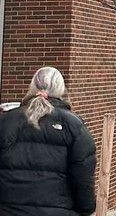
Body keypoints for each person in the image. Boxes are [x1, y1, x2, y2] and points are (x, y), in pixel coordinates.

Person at [0, 66, 96, 216]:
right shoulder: (74, 126)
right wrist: (85, 209)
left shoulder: (5, 122)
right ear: (61, 90)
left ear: (32, 87)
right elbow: (82, 178)